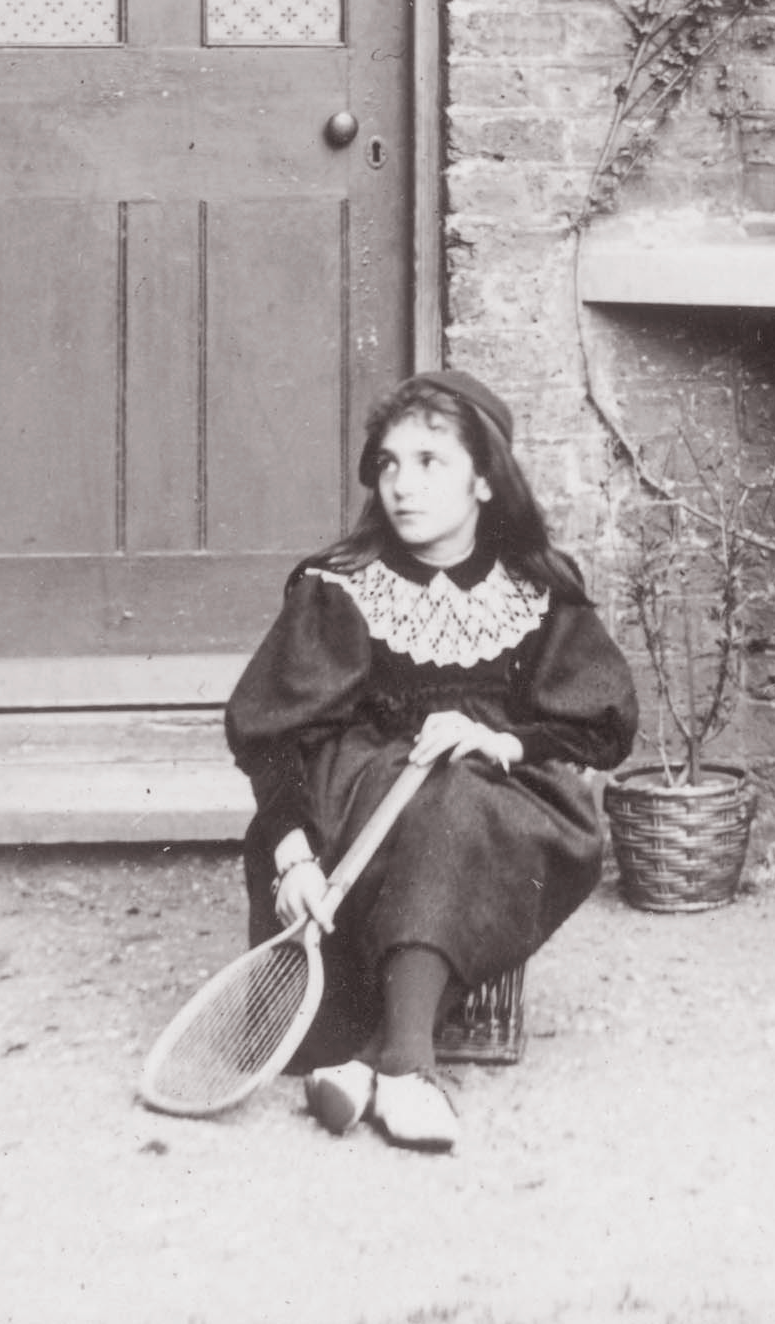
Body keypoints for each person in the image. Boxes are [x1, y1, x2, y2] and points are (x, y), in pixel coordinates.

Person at [224, 368, 639, 1155]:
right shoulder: (341, 588)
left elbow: (600, 724)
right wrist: (292, 858)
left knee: (459, 797)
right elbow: (274, 736)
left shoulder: (536, 591)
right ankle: (397, 1062)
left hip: (499, 801)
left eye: (428, 462)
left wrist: (502, 741)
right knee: (429, 798)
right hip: (357, 808)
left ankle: (391, 1062)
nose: (401, 486)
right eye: (387, 464)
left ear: (485, 480)